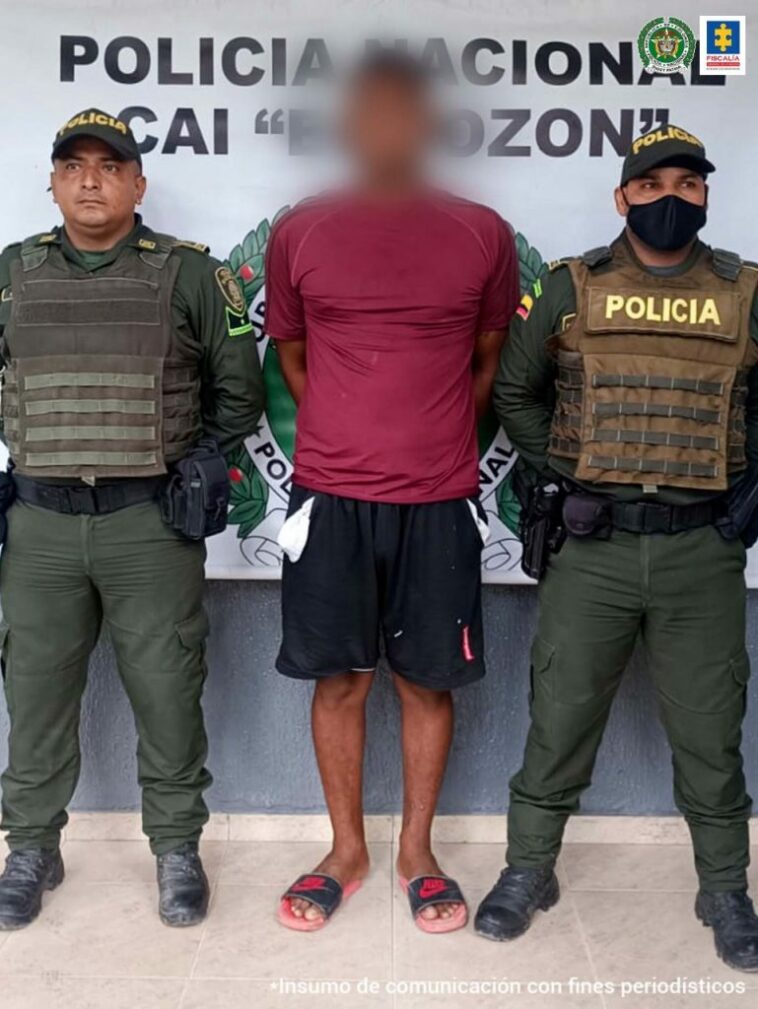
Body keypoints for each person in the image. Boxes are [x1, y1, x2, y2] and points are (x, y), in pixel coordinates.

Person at [475, 124, 758, 972]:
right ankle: (528, 870)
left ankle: (725, 887)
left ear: (706, 195)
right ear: (622, 196)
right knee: (559, 716)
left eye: (689, 185)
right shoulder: (568, 288)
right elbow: (514, 392)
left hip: (700, 548)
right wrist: (559, 470)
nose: (672, 199)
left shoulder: (746, 291)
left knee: (711, 729)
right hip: (591, 548)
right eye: (652, 185)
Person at [265, 52, 520, 933]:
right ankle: (347, 850)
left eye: (401, 112)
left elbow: (486, 362)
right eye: (367, 112)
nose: (385, 128)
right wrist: (350, 430)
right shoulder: (300, 233)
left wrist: (425, 432)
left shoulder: (482, 232)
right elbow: (293, 360)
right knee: (337, 680)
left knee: (426, 683)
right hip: (331, 497)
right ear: (346, 126)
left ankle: (416, 850)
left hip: (439, 496)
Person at [0, 109, 264, 930]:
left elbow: (240, 393)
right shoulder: (12, 271)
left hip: (147, 522)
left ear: (138, 184)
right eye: (73, 165)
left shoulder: (188, 274)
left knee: (167, 689)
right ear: (51, 180)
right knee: (36, 690)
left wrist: (203, 460)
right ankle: (30, 847)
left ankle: (176, 847)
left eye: (109, 166)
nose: (90, 179)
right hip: (40, 522)